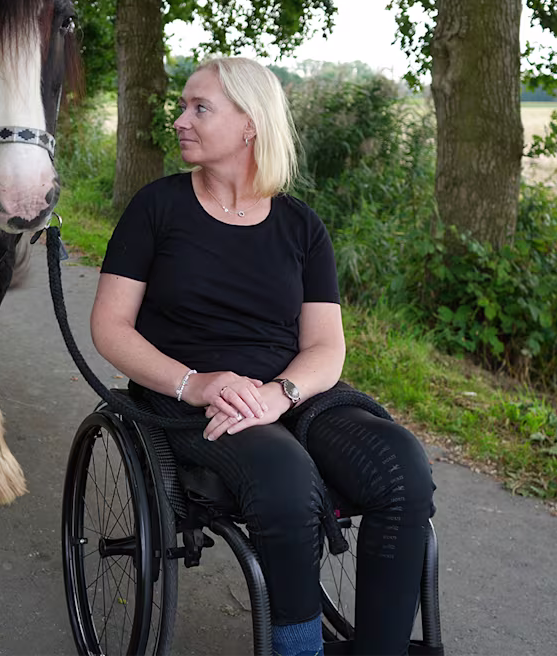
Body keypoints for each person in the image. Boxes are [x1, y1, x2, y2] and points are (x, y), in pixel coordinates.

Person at [90, 57, 435, 656]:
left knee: (401, 465)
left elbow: (326, 347)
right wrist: (196, 384)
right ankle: (300, 649)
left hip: (293, 393)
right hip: (195, 399)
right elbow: (110, 328)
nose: (180, 120)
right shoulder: (157, 208)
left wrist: (280, 396)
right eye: (183, 105)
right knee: (285, 478)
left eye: (200, 108)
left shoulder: (301, 226)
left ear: (250, 125)